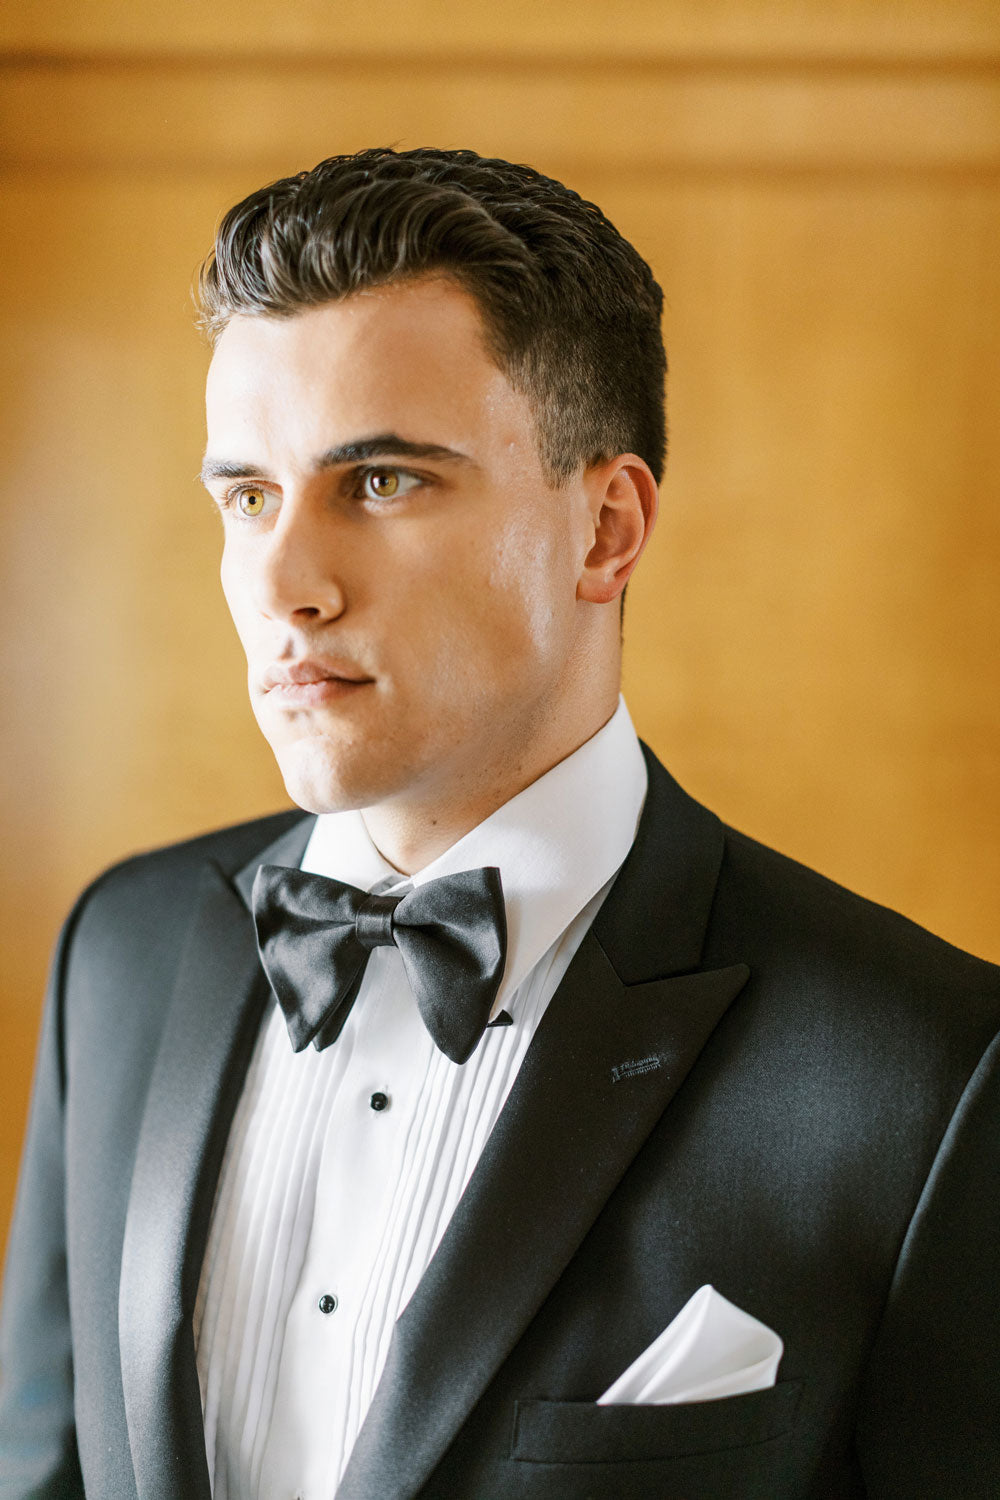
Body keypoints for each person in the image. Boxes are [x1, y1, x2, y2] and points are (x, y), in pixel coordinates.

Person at [0, 146, 997, 1500]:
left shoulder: (925, 1076)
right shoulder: (116, 952)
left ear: (604, 530)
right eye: (247, 497)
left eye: (383, 482)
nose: (285, 581)